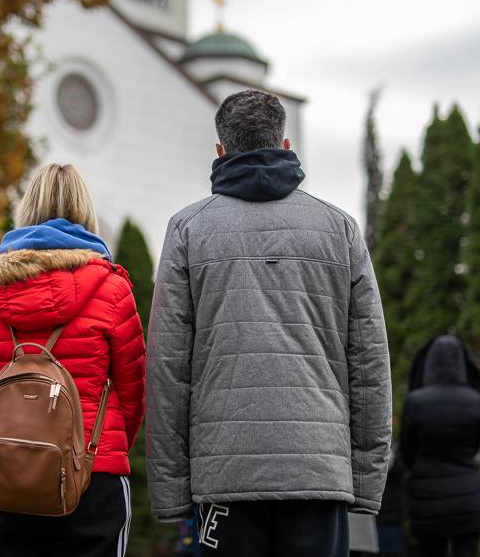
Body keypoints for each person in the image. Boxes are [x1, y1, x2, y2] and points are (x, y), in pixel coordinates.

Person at [146, 90, 392, 557]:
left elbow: (167, 370)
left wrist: (172, 491)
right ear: (284, 143)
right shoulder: (339, 228)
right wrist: (366, 481)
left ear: (220, 151)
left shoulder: (187, 230)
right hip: (319, 474)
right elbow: (370, 365)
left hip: (224, 476)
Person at [0, 163, 146, 557]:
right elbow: (133, 395)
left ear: (26, 211)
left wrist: (19, 439)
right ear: (85, 211)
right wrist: (102, 450)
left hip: (8, 477)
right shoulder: (112, 287)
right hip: (94, 478)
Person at [400, 335, 480, 557]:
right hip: (468, 496)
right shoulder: (475, 400)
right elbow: (475, 445)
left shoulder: (416, 401)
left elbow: (407, 450)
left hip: (428, 498)